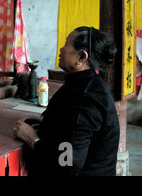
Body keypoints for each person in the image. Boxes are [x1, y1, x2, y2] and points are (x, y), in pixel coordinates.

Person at [13, 26, 119, 176]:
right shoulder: (84, 83)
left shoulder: (86, 99)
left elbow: (68, 162)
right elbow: (71, 126)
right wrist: (46, 123)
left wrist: (32, 139)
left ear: (82, 58)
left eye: (66, 44)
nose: (61, 49)